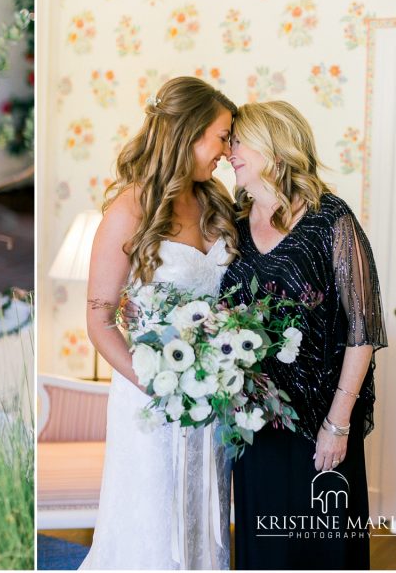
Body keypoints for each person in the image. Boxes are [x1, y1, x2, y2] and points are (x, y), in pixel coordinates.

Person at [222, 101, 387, 569]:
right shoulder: (232, 222)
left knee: (323, 543)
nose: (229, 152)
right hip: (256, 422)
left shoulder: (330, 219)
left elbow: (363, 330)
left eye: (239, 140)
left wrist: (337, 424)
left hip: (321, 420)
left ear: (275, 146)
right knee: (266, 547)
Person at [81, 76, 238, 570]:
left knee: (204, 511)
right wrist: (159, 384)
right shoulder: (130, 208)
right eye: (222, 136)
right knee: (153, 521)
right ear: (189, 133)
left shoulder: (216, 201)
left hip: (212, 397)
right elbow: (99, 318)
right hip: (152, 395)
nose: (227, 150)